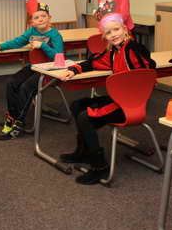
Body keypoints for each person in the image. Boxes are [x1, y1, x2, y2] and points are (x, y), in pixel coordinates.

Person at [56, 13, 155, 185]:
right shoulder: (114, 52)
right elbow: (94, 62)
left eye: (116, 29)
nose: (113, 35)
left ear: (125, 29)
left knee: (85, 117)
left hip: (130, 104)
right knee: (77, 105)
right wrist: (73, 69)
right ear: (105, 37)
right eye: (108, 33)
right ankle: (84, 151)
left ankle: (99, 166)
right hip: (120, 98)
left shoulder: (133, 49)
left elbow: (147, 71)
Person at [0, 1, 64, 140]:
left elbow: (59, 58)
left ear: (49, 18)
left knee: (26, 87)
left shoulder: (55, 35)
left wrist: (43, 46)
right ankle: (12, 116)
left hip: (50, 70)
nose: (41, 19)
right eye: (37, 17)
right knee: (11, 82)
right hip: (35, 67)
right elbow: (17, 41)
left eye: (43, 16)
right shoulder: (31, 32)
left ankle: (19, 123)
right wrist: (0, 46)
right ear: (32, 22)